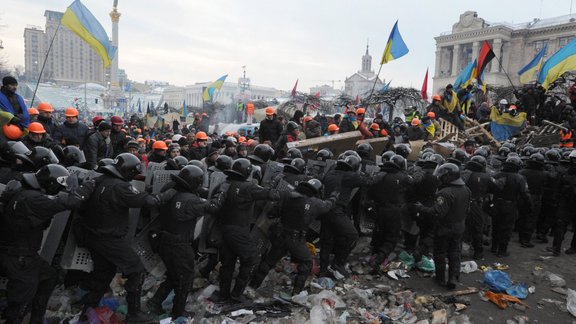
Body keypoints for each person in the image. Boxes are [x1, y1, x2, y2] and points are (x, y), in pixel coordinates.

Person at [77, 153, 177, 322]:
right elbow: (151, 202)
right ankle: (134, 313)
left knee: (103, 274)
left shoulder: (100, 180)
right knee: (136, 269)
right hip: (109, 238)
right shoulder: (120, 187)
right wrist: (171, 191)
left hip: (93, 236)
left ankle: (87, 311)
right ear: (128, 171)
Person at [0, 164, 94, 324]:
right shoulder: (33, 199)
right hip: (19, 257)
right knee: (20, 301)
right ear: (51, 183)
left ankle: (35, 318)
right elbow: (71, 202)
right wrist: (88, 186)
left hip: (23, 254)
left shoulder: (25, 191)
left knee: (49, 276)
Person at [146, 166, 218, 317]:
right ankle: (178, 312)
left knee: (174, 276)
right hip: (179, 244)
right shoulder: (190, 200)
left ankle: (155, 302)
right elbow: (213, 207)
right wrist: (221, 194)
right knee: (185, 278)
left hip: (164, 240)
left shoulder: (171, 192)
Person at [209, 158, 281, 302]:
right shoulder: (248, 187)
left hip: (223, 230)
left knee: (227, 263)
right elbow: (271, 194)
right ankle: (236, 294)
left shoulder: (223, 184)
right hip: (238, 230)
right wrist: (279, 185)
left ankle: (224, 294)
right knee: (251, 259)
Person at [250, 179, 336, 295]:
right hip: (296, 239)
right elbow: (327, 206)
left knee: (269, 261)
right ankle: (296, 294)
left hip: (280, 235)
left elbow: (272, 213)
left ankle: (253, 286)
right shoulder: (315, 202)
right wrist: (333, 197)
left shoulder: (287, 196)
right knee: (306, 263)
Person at [415, 163, 471, 289]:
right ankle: (453, 278)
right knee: (455, 252)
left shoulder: (444, 193)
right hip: (459, 226)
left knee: (440, 252)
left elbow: (437, 213)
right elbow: (467, 209)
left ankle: (440, 278)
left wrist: (421, 208)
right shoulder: (467, 190)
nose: (440, 178)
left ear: (448, 177)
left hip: (444, 228)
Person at [321, 154, 375, 279]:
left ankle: (323, 270)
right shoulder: (349, 175)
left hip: (324, 209)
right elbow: (369, 182)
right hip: (336, 211)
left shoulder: (330, 173)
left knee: (326, 241)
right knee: (352, 235)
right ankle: (337, 264)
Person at [369, 155, 413, 273]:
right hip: (394, 210)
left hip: (378, 209)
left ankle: (374, 255)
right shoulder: (403, 177)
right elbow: (411, 187)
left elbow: (370, 192)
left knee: (379, 233)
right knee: (391, 238)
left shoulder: (378, 175)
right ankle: (378, 260)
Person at [491, 156, 531, 257]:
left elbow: (490, 188)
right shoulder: (520, 178)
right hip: (510, 205)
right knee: (506, 228)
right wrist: (529, 205)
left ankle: (494, 246)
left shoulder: (496, 175)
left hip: (496, 204)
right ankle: (502, 250)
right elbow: (525, 194)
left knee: (495, 225)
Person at [462, 155, 500, 259]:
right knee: (477, 228)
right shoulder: (486, 176)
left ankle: (459, 250)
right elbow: (496, 188)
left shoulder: (463, 173)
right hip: (475, 205)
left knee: (462, 226)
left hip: (461, 204)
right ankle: (478, 252)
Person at [518, 153, 550, 248]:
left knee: (522, 217)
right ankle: (526, 240)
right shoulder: (545, 174)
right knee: (531, 218)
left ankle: (521, 237)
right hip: (536, 197)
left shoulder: (522, 172)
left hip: (523, 197)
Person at [550, 150, 576, 256]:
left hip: (565, 203)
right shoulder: (565, 173)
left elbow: (557, 188)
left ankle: (557, 248)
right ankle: (559, 248)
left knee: (560, 226)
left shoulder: (565, 173)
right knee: (560, 226)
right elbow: (557, 188)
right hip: (565, 203)